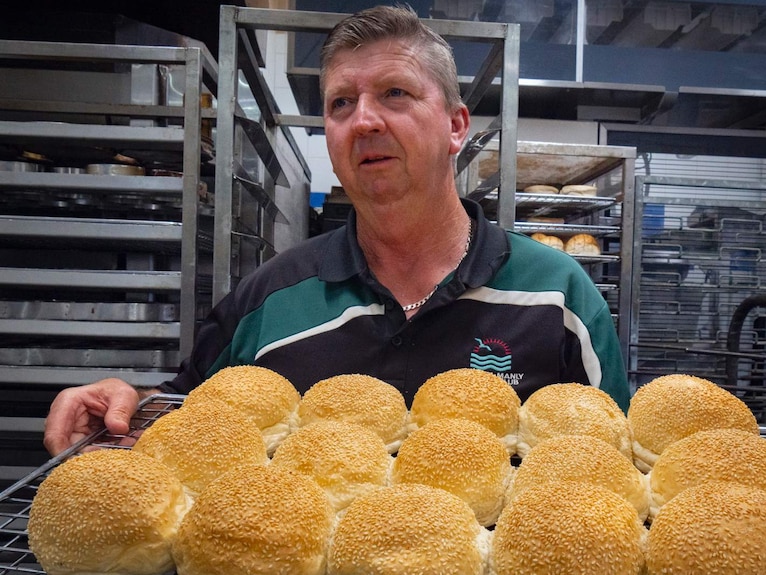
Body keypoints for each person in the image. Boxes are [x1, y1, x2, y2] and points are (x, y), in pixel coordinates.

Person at [42, 4, 630, 457]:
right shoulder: (270, 300)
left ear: (455, 126)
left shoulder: (559, 296)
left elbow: (623, 466)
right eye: (342, 103)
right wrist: (124, 407)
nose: (364, 120)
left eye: (394, 93)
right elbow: (182, 414)